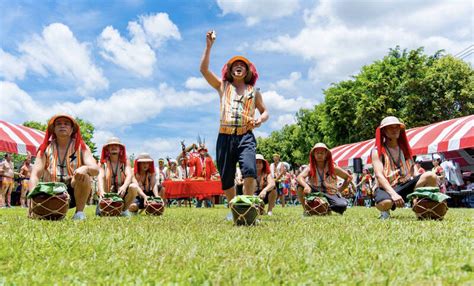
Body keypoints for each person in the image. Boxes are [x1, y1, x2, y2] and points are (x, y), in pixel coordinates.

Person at [200, 30, 269, 216]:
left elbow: (265, 111)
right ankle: (233, 209)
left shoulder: (255, 92)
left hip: (246, 135)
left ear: (247, 71)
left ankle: (247, 206)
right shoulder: (223, 86)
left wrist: (260, 120)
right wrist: (209, 46)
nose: (238, 67)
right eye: (235, 65)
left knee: (249, 170)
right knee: (226, 175)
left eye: (242, 65)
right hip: (225, 135)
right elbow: (204, 71)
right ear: (230, 71)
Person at [29, 114, 100, 220]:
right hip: (50, 193)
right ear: (53, 129)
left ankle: (79, 213)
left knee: (84, 176)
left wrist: (86, 168)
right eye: (58, 124)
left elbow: (96, 170)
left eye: (66, 124)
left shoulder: (82, 147)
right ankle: (48, 211)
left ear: (72, 130)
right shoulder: (45, 149)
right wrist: (32, 201)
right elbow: (35, 175)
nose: (62, 126)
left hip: (74, 192)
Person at [371, 116, 438, 219]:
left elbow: (415, 172)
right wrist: (394, 194)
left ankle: (424, 209)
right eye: (390, 127)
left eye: (397, 127)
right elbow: (379, 175)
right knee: (385, 203)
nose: (394, 130)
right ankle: (384, 209)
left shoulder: (405, 149)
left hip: (404, 185)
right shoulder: (377, 151)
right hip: (386, 188)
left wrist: (420, 189)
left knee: (431, 176)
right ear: (383, 131)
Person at [296, 143, 352, 215]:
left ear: (326, 155)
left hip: (330, 192)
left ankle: (327, 208)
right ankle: (306, 210)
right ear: (314, 155)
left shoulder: (333, 167)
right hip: (314, 190)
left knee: (341, 206)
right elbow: (299, 177)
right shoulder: (310, 167)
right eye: (317, 153)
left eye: (322, 153)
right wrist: (306, 186)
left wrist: (340, 190)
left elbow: (348, 177)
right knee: (300, 186)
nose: (319, 155)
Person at [97, 137, 145, 217]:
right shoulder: (103, 162)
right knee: (103, 214)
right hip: (107, 193)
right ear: (107, 149)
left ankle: (124, 210)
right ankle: (104, 203)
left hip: (121, 193)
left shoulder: (125, 161)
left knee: (133, 186)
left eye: (116, 145)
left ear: (120, 148)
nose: (114, 147)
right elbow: (100, 176)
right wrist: (101, 191)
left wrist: (124, 187)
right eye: (111, 145)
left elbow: (129, 175)